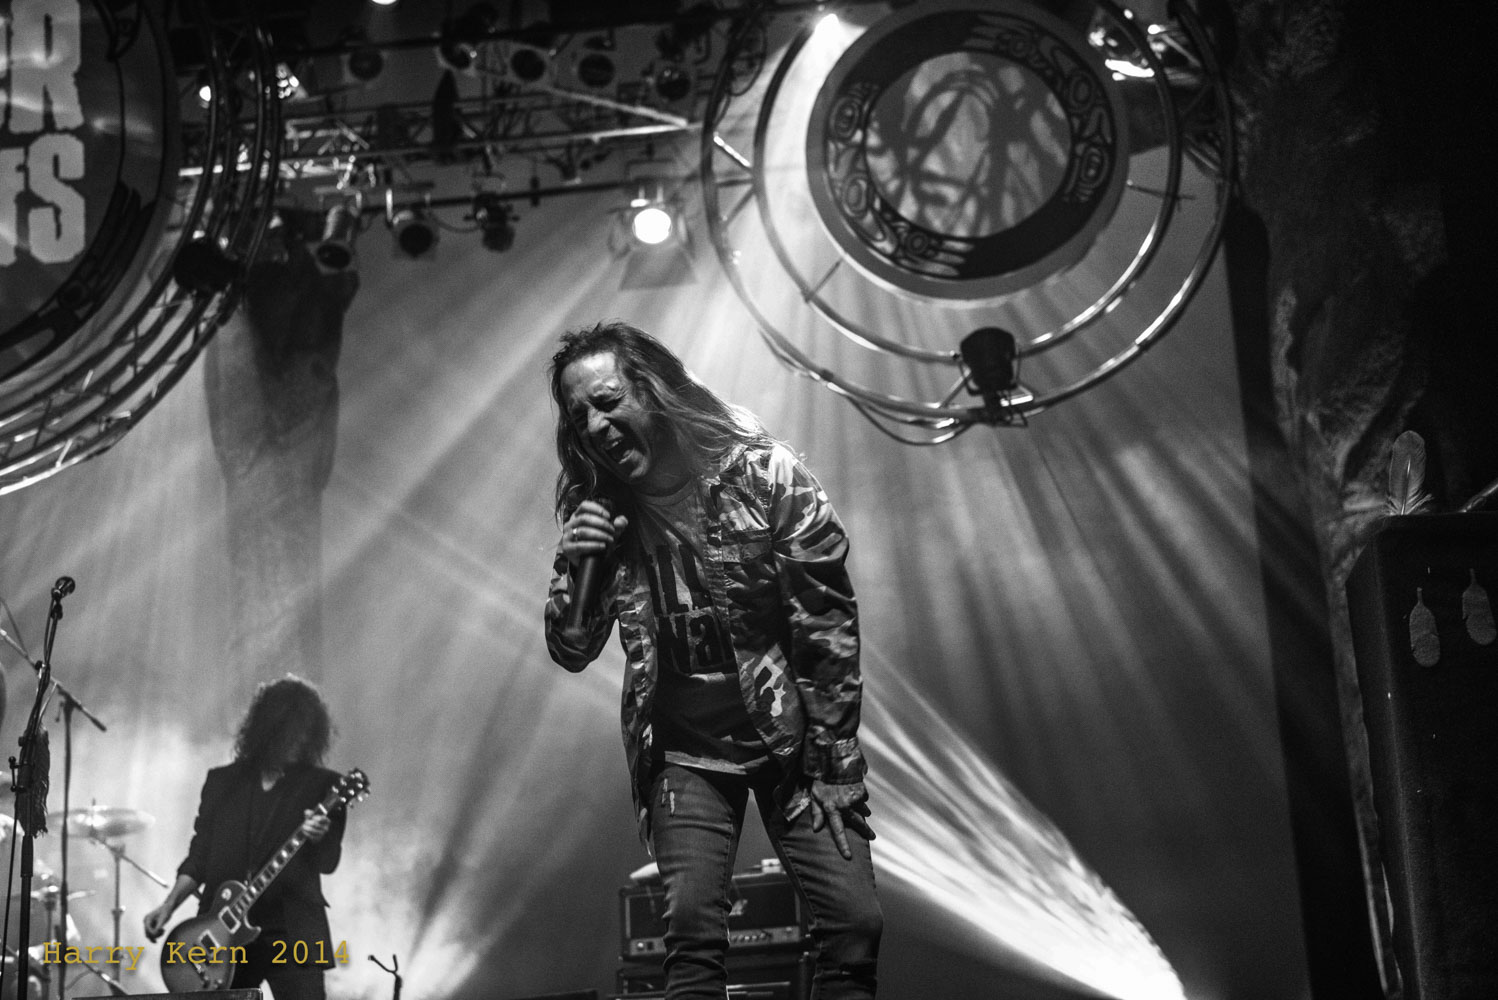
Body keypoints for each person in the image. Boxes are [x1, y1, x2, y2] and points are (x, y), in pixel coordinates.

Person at [543, 321, 882, 999]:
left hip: (791, 744)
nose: (597, 426)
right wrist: (582, 565)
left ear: (656, 391)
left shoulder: (765, 475)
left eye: (608, 402)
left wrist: (836, 759)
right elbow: (572, 649)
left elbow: (825, 622)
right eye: (580, 417)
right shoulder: (598, 511)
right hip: (683, 752)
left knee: (854, 925)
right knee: (692, 939)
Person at [143, 675, 347, 1000]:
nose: (295, 744)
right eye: (288, 733)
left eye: (303, 734)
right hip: (223, 928)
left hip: (292, 930)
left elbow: (328, 862)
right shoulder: (222, 782)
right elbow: (199, 857)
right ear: (267, 729)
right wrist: (168, 906)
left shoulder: (325, 787)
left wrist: (320, 836)